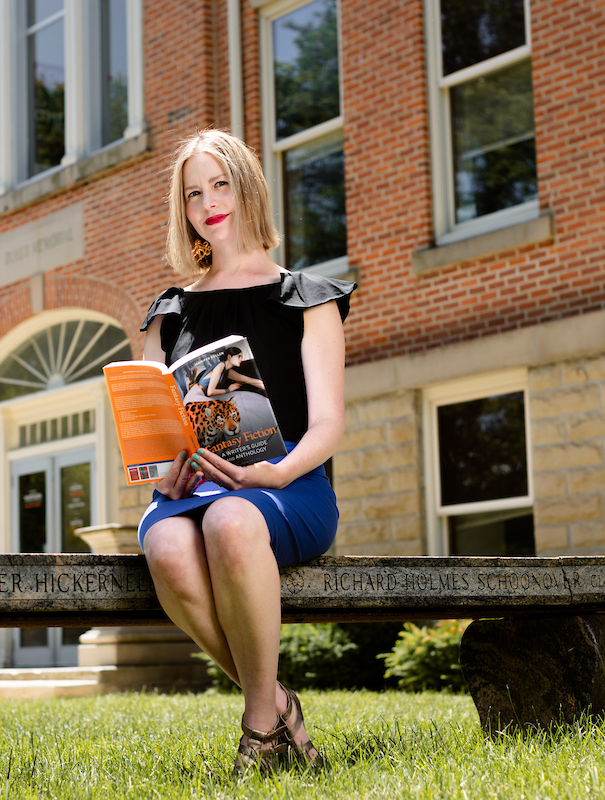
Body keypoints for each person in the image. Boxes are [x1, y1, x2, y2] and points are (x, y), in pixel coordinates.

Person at [137, 129, 356, 774]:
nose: (208, 203)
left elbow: (329, 424)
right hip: (191, 487)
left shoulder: (308, 298)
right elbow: (151, 421)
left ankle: (259, 729)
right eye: (193, 193)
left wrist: (277, 470)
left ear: (248, 186)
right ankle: (279, 702)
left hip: (289, 482)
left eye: (220, 184)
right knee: (167, 544)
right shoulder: (168, 311)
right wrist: (161, 473)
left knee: (234, 520)